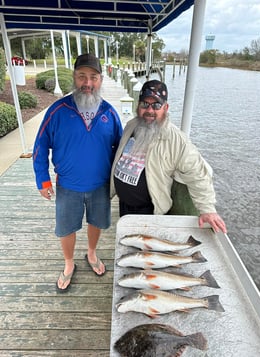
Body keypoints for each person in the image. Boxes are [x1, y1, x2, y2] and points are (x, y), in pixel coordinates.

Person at [33, 53, 123, 292]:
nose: (88, 83)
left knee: (97, 223)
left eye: (93, 77)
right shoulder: (58, 110)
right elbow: (40, 146)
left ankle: (91, 254)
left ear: (101, 80)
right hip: (68, 186)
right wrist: (42, 179)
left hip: (100, 185)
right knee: (67, 228)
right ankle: (69, 262)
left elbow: (121, 148)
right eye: (82, 76)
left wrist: (122, 182)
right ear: (74, 77)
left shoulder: (110, 113)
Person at [110, 79, 227, 234]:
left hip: (150, 211)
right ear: (138, 105)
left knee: (145, 252)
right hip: (124, 205)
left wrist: (207, 209)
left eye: (156, 105)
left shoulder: (177, 140)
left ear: (165, 107)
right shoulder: (132, 125)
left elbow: (198, 173)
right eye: (145, 104)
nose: (149, 110)